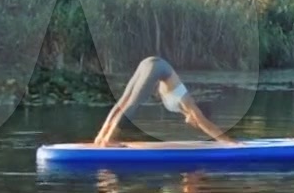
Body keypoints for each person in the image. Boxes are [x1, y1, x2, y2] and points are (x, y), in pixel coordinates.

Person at [92, 56, 236, 146]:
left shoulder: (183, 107)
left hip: (149, 63)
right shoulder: (188, 103)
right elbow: (206, 125)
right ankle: (106, 140)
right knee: (131, 103)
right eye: (197, 122)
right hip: (156, 66)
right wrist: (228, 142)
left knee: (123, 101)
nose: (195, 125)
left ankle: (100, 137)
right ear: (199, 114)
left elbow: (202, 123)